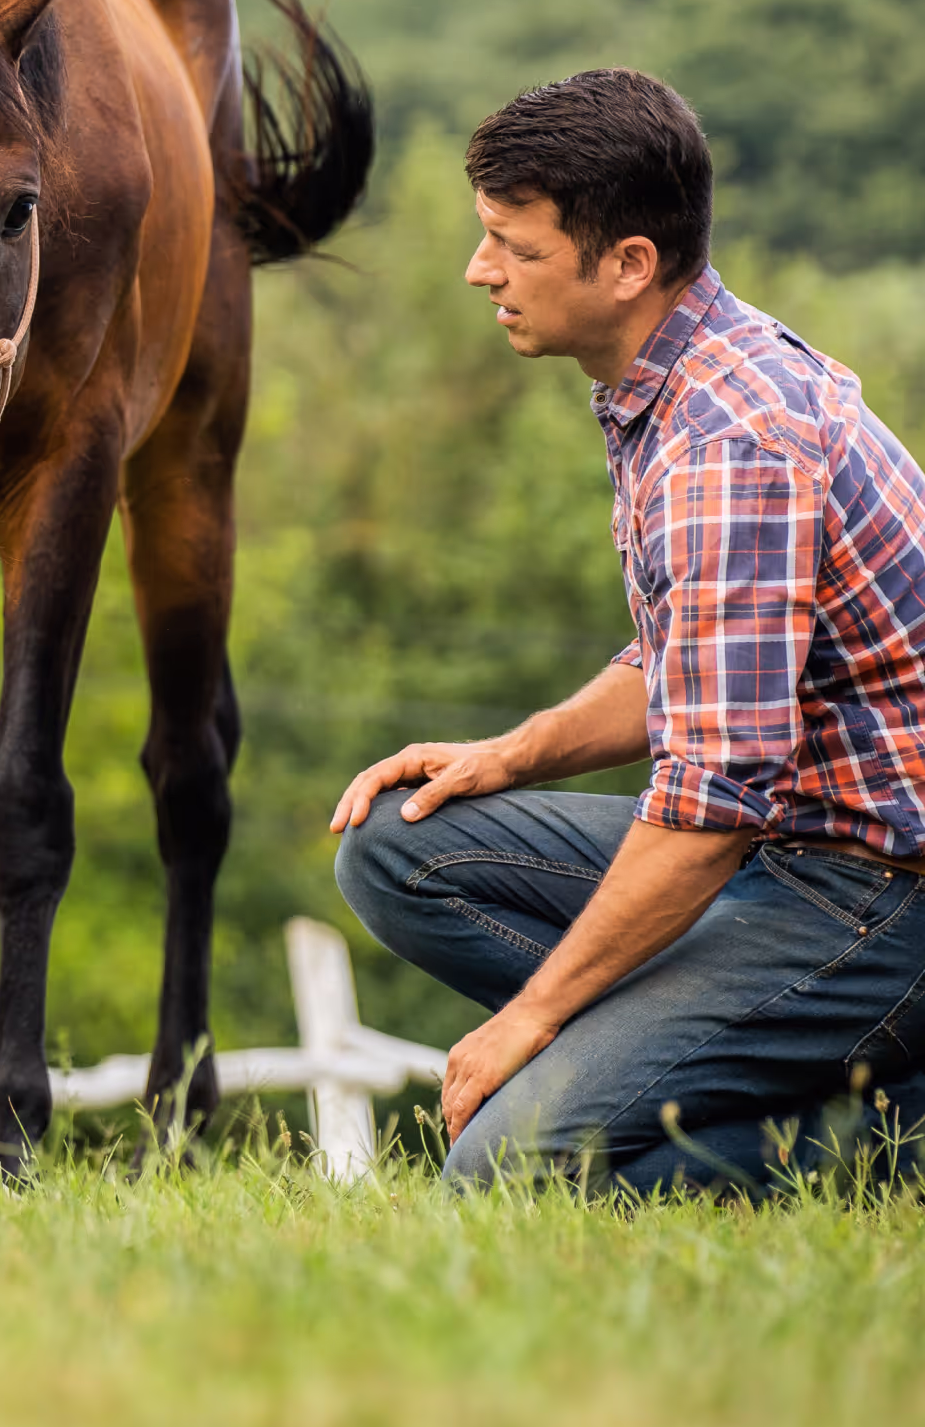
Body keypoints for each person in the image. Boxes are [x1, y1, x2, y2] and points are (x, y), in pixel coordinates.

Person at [332, 69, 925, 1195]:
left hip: (876, 893)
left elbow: (711, 799)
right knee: (398, 848)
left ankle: (885, 1132)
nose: (480, 271)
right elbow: (686, 667)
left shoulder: (727, 443)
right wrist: (511, 754)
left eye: (517, 247)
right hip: (786, 846)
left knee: (506, 1173)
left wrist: (535, 1023)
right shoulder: (681, 375)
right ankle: (697, 1054)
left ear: (629, 265)